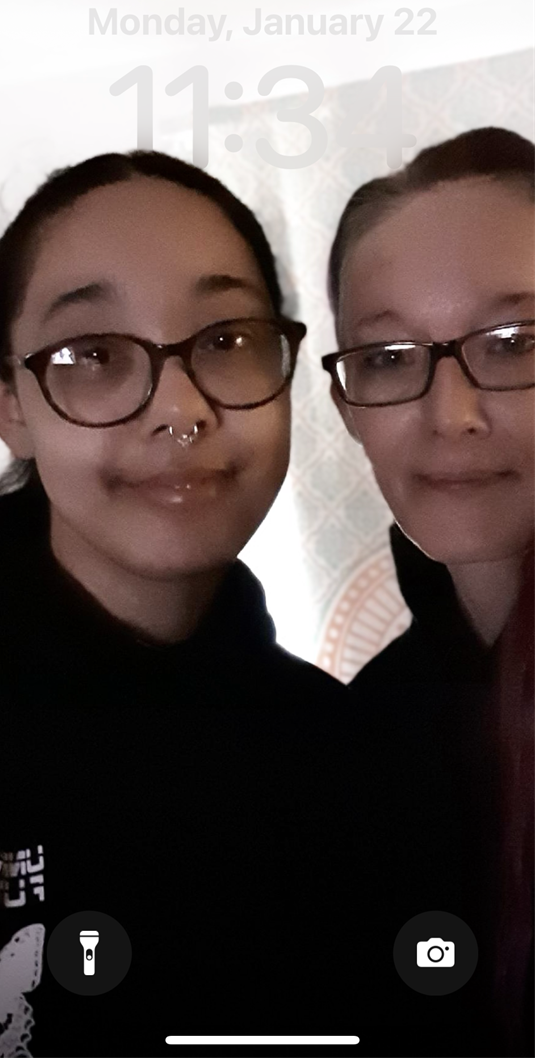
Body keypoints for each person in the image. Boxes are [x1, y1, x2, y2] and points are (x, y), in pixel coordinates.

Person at [0, 151, 350, 1054]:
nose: (179, 409)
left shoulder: (342, 746)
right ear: (8, 403)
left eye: (225, 340)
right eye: (94, 355)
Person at [322, 127, 535, 1054]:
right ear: (347, 409)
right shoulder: (368, 732)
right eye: (388, 358)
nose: (451, 414)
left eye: (513, 342)